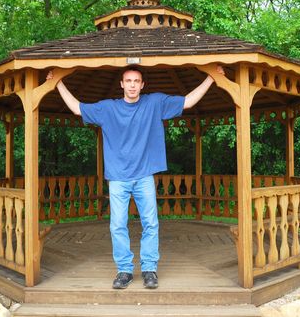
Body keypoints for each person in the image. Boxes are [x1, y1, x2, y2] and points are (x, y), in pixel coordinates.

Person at [47, 65, 224, 289]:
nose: (132, 85)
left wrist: (211, 78)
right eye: (128, 80)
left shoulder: (154, 103)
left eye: (136, 81)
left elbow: (188, 101)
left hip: (144, 177)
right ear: (122, 84)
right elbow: (76, 108)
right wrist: (58, 83)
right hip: (118, 178)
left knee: (151, 223)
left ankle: (149, 269)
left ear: (142, 85)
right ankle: (124, 271)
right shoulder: (108, 108)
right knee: (117, 225)